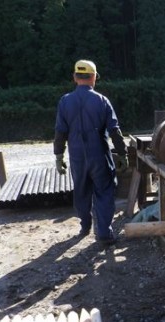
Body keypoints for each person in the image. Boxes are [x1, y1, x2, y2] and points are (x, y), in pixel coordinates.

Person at [53, 59, 128, 245]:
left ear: (74, 77)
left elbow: (60, 131)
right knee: (104, 191)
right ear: (94, 77)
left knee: (81, 190)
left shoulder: (65, 101)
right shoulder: (102, 101)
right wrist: (123, 154)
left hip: (77, 156)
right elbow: (114, 131)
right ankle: (103, 233)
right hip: (99, 155)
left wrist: (59, 156)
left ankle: (85, 226)